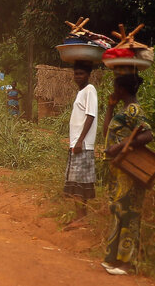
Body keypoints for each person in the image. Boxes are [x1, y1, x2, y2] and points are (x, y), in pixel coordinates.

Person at [101, 73, 154, 276]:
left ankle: (127, 264)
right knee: (118, 212)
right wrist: (110, 107)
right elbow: (107, 133)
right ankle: (113, 259)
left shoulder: (134, 110)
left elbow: (148, 134)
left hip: (129, 172)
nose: (113, 90)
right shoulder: (123, 110)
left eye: (115, 87)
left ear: (122, 89)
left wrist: (121, 146)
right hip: (118, 172)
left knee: (129, 214)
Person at [63, 62, 98, 225]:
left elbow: (90, 116)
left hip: (82, 144)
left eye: (81, 74)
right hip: (77, 143)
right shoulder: (81, 92)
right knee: (78, 181)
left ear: (88, 75)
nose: (78, 77)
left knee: (79, 182)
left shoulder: (90, 90)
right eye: (76, 73)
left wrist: (80, 141)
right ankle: (81, 216)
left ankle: (81, 217)